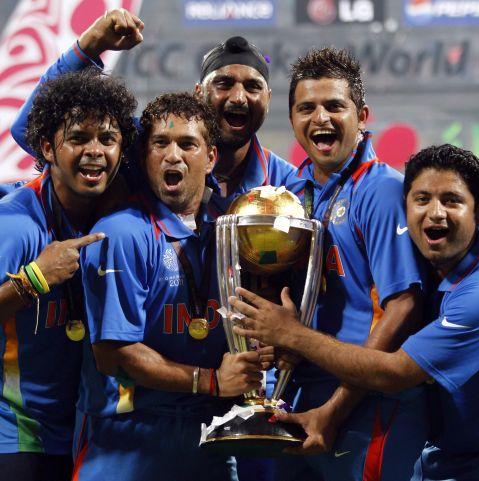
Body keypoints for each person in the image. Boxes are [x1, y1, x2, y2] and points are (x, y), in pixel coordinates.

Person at [229, 144, 479, 481]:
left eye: (451, 200)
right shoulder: (433, 269)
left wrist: (292, 334)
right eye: (422, 200)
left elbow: (394, 372)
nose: (435, 213)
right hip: (439, 458)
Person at [234, 47, 429, 481]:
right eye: (307, 108)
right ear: (292, 122)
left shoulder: (381, 191)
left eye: (334, 106)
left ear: (362, 116)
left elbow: (402, 307)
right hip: (305, 397)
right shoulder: (294, 192)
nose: (320, 118)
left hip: (365, 405)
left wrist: (335, 410)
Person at [74, 92, 263, 480]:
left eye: (187, 144)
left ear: (211, 157)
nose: (172, 156)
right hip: (128, 441)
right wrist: (211, 381)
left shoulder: (231, 234)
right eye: (160, 143)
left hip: (210, 441)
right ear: (145, 156)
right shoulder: (121, 234)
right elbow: (114, 354)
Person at [10, 9, 298, 218]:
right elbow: (29, 130)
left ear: (268, 98)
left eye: (252, 87)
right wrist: (89, 46)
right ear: (198, 93)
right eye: (223, 84)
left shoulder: (286, 183)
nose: (238, 97)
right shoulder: (148, 146)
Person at [0, 69, 137, 481]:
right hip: (16, 435)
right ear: (47, 146)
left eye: (107, 139)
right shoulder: (17, 223)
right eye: (78, 138)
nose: (95, 151)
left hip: (81, 434)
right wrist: (35, 278)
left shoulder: (113, 215)